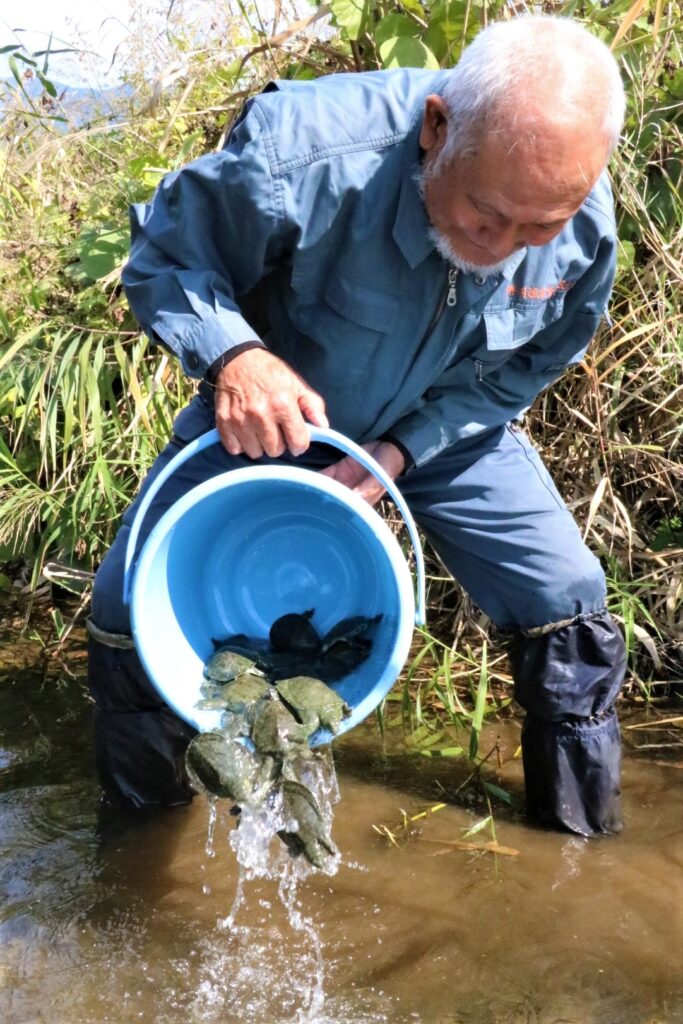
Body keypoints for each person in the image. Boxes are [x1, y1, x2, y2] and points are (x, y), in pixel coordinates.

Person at [88, 14, 627, 836]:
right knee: (126, 611)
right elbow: (168, 256)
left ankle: (581, 843)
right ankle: (140, 845)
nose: (510, 246)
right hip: (269, 424)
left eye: (540, 227)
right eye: (489, 215)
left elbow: (529, 363)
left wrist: (403, 450)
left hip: (441, 430)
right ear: (438, 127)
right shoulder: (301, 154)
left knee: (568, 602)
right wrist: (233, 356)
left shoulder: (579, 213)